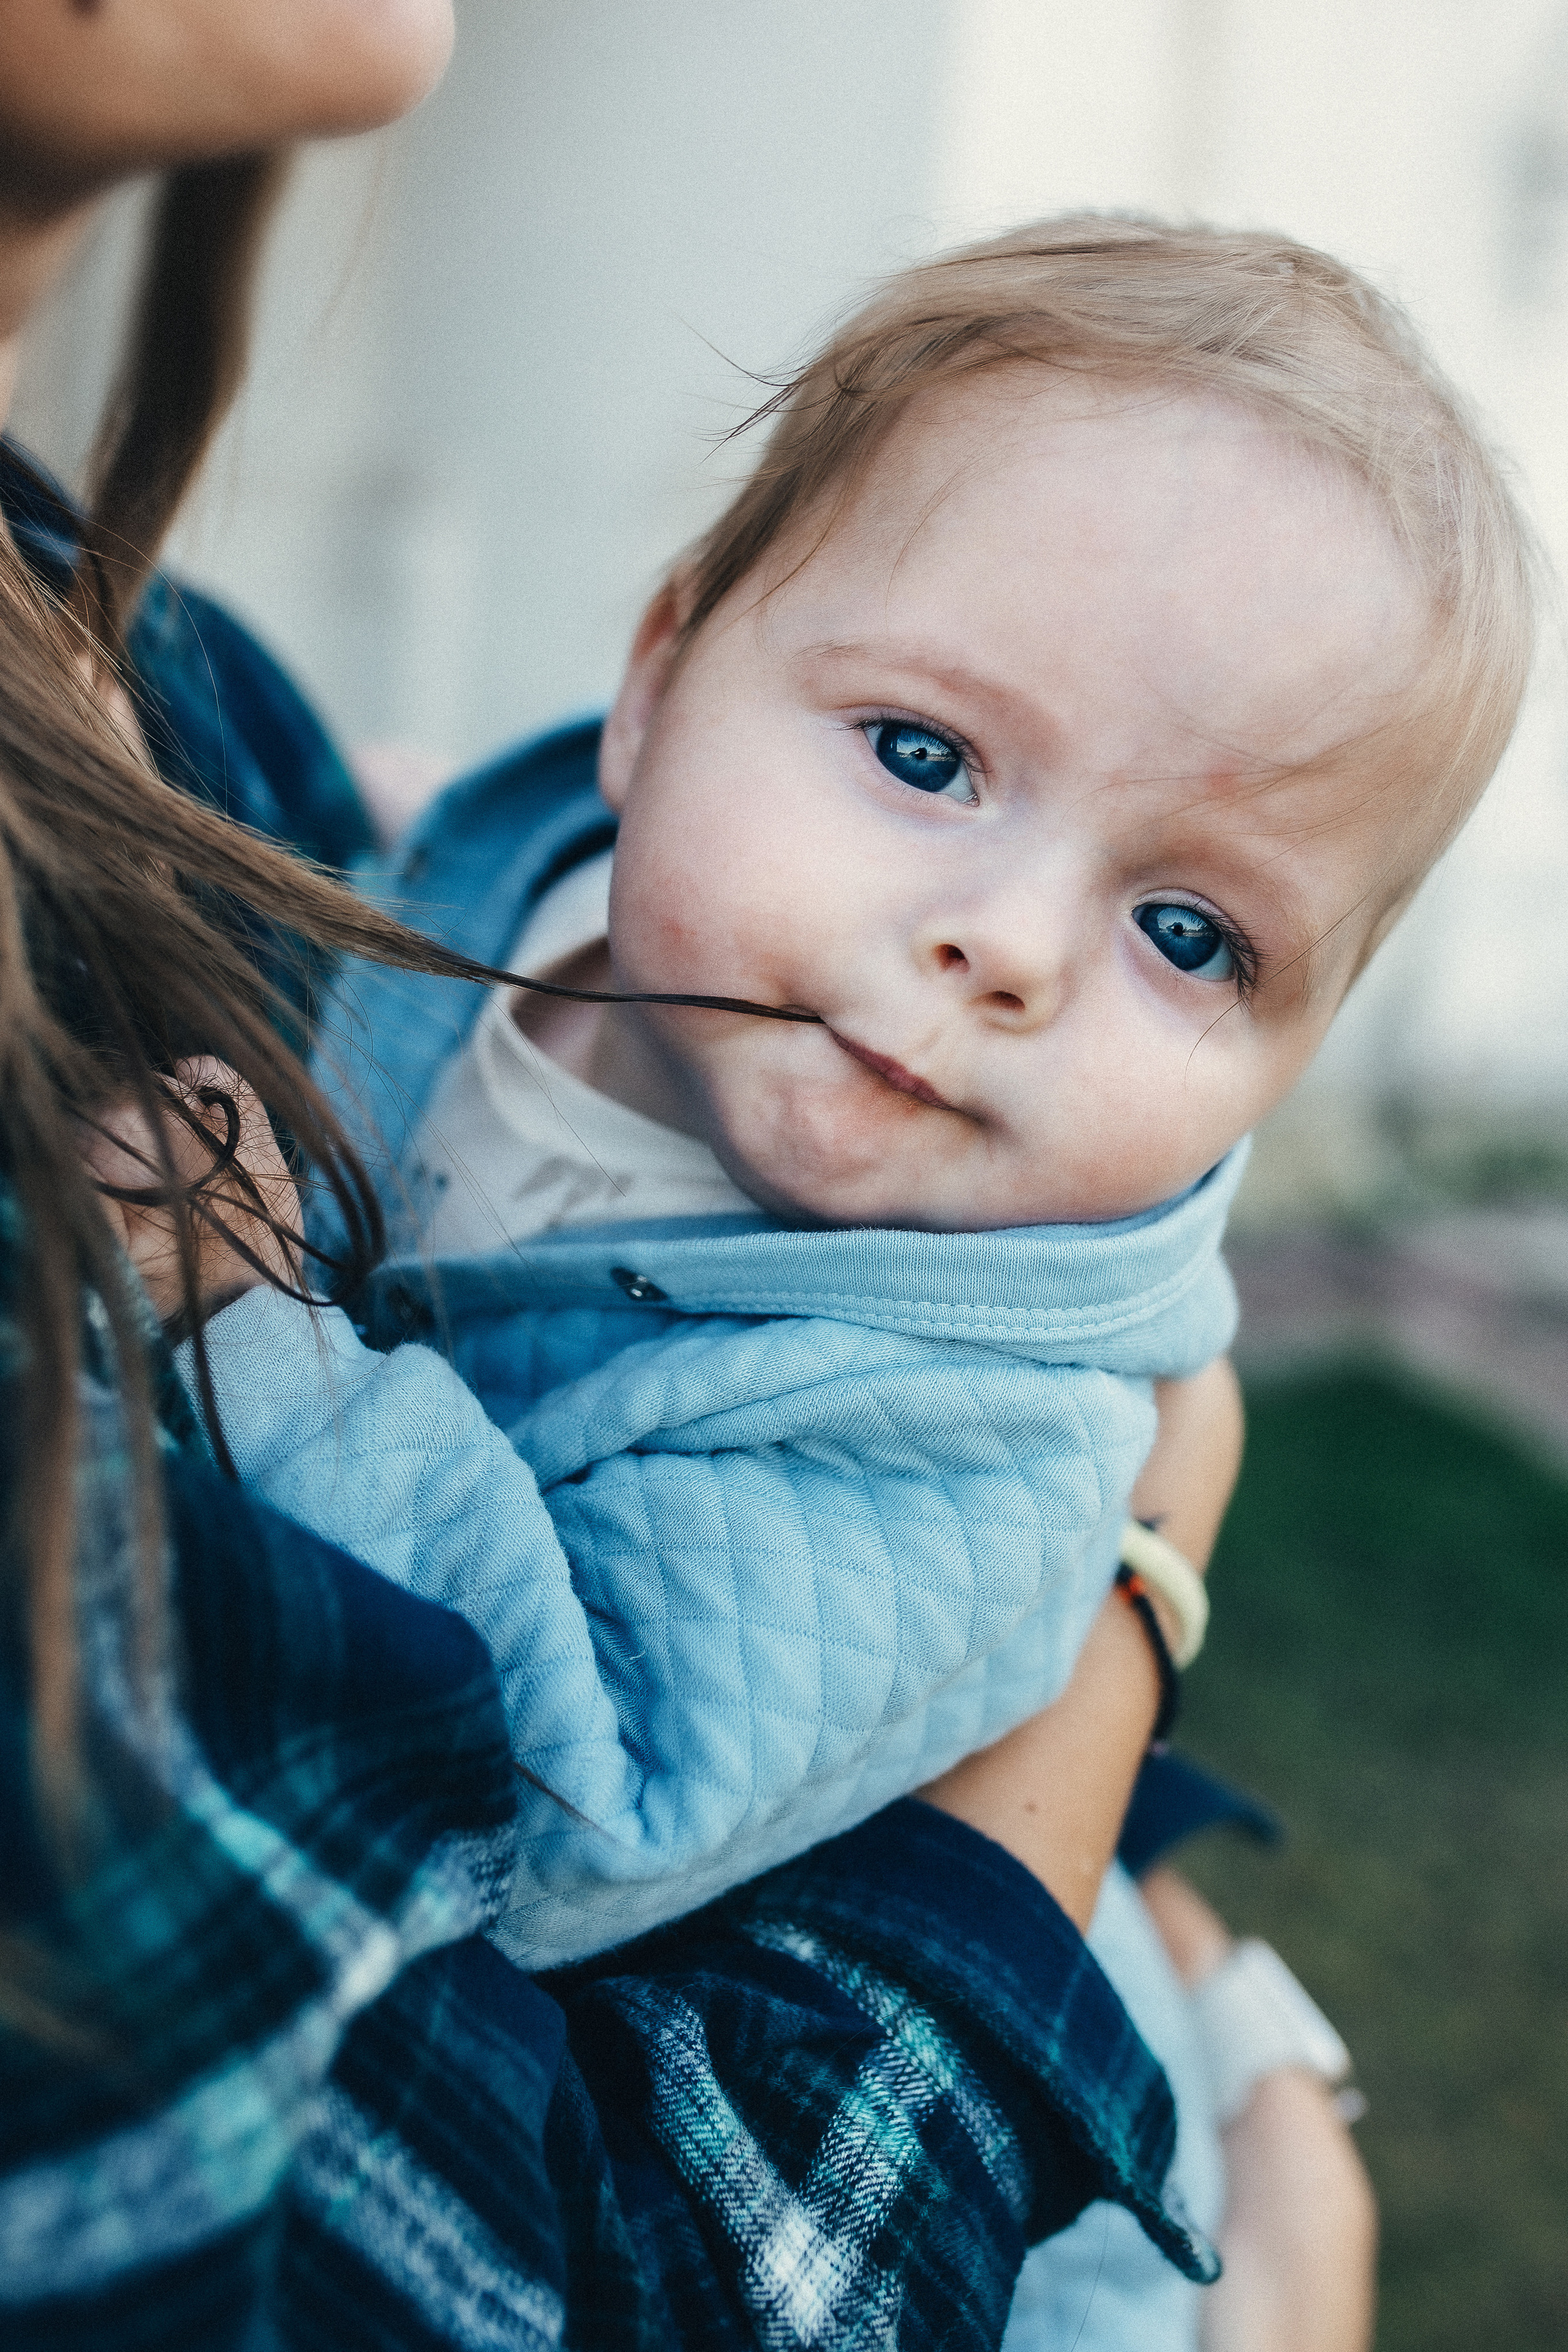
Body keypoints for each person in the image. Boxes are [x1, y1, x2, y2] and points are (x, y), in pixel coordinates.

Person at [0, 9, 1373, 2349]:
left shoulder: (971, 1426)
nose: (1009, 947)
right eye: (926, 754)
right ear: (653, 694)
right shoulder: (498, 882)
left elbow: (569, 1810)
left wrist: (255, 1329)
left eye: (1190, 931)